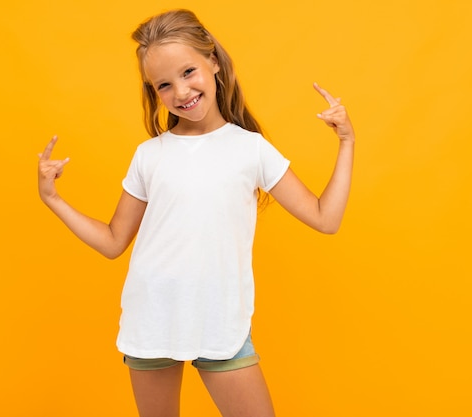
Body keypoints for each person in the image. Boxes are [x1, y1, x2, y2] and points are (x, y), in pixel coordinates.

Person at [37, 9, 354, 417]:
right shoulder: (149, 155)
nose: (181, 91)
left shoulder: (250, 149)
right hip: (152, 317)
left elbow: (325, 219)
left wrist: (346, 142)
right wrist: (54, 200)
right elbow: (114, 241)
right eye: (164, 85)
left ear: (214, 62)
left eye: (188, 72)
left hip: (220, 322)